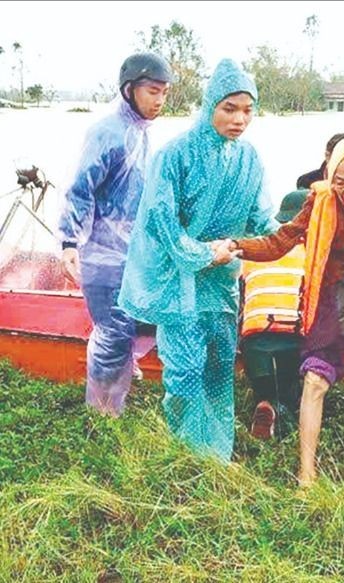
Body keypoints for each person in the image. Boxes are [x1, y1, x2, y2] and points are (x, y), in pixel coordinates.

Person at [118, 59, 278, 462]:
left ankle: (216, 458)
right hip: (179, 283)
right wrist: (204, 253)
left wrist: (301, 226)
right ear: (210, 106)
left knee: (219, 371)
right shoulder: (175, 155)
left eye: (248, 110)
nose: (240, 119)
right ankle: (187, 457)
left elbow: (262, 219)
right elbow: (160, 221)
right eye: (230, 108)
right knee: (185, 374)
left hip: (221, 286)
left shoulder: (250, 160)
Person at [232, 137, 344, 487]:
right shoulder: (321, 201)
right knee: (314, 381)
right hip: (337, 294)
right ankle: (306, 475)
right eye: (340, 181)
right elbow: (280, 241)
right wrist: (237, 246)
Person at [57, 52, 172, 416]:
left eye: (165, 93)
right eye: (153, 91)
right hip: (102, 255)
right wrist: (69, 241)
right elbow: (81, 188)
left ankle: (114, 399)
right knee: (110, 333)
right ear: (129, 89)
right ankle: (102, 413)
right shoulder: (108, 133)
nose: (160, 101)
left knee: (131, 327)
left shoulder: (140, 135)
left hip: (132, 254)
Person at [240, 189, 307, 440]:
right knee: (290, 389)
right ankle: (283, 428)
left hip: (254, 335)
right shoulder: (310, 255)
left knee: (264, 389)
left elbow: (242, 288)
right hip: (292, 333)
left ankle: (265, 406)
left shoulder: (257, 253)